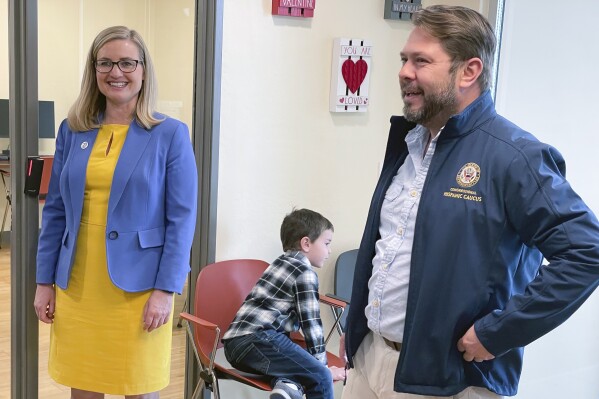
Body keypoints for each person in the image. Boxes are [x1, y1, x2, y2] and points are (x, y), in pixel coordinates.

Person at [340, 5, 599, 399]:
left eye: (421, 61)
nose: (404, 72)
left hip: (450, 380)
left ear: (469, 71)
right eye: (404, 59)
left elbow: (587, 252)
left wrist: (498, 332)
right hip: (371, 359)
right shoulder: (409, 144)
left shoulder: (514, 156)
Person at [33, 26, 197, 398]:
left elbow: (181, 219)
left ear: (143, 70)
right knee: (85, 385)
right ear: (94, 71)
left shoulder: (169, 134)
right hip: (78, 284)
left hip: (139, 289)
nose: (115, 72)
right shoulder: (73, 130)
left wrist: (166, 290)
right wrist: (44, 282)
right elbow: (56, 211)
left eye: (126, 62)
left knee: (138, 386)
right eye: (105, 63)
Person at [222, 208, 346, 399]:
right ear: (306, 243)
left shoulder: (280, 262)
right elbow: (311, 324)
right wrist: (324, 369)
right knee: (319, 377)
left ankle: (286, 388)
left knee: (296, 373)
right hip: (258, 339)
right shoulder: (304, 273)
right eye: (327, 243)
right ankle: (298, 383)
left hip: (235, 347)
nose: (329, 250)